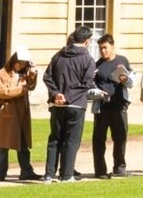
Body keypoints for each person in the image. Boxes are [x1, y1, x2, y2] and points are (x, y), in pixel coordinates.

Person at [42, 26, 96, 183]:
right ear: (87, 41)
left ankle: (49, 174)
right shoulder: (88, 60)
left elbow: (47, 77)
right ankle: (66, 175)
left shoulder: (59, 55)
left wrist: (56, 94)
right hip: (76, 105)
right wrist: (66, 97)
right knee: (71, 140)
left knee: (54, 140)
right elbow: (86, 84)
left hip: (57, 105)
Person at [0, 47, 41, 182]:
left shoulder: (24, 74)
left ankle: (26, 171)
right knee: (3, 145)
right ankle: (0, 173)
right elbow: (1, 92)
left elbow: (31, 87)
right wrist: (21, 90)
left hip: (22, 114)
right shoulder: (2, 73)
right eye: (21, 62)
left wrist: (33, 74)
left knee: (23, 144)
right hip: (7, 113)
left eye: (25, 62)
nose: (22, 65)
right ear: (14, 60)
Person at [91, 35, 132, 179]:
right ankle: (100, 170)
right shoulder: (96, 65)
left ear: (112, 46)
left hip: (119, 105)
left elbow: (131, 82)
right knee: (98, 139)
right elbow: (90, 86)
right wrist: (96, 91)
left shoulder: (122, 61)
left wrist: (126, 79)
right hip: (102, 107)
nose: (102, 51)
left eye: (105, 48)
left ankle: (119, 168)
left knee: (120, 138)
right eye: (100, 48)